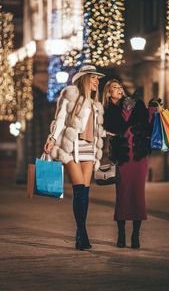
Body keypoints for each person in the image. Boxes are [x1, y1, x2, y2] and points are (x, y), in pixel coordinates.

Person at [44, 65, 105, 250]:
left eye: (98, 79)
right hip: (71, 148)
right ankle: (81, 232)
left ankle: (81, 233)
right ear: (85, 78)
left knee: (85, 193)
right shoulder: (71, 96)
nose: (96, 81)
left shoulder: (96, 104)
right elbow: (60, 119)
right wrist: (52, 139)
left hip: (89, 149)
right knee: (78, 189)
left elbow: (96, 130)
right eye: (94, 78)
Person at [102, 79, 153, 249]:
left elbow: (147, 123)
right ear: (108, 93)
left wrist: (153, 109)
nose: (119, 90)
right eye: (114, 88)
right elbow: (108, 128)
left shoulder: (135, 103)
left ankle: (136, 235)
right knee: (122, 194)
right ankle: (121, 234)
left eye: (120, 87)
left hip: (138, 155)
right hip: (122, 156)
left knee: (138, 194)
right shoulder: (107, 110)